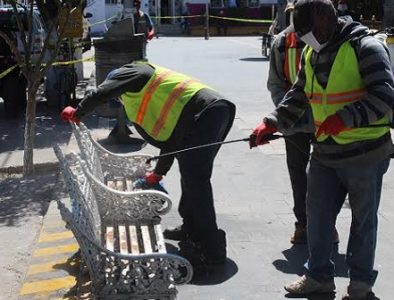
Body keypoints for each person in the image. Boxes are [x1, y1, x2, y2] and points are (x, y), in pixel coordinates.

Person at [250, 0, 394, 299]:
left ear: (326, 18)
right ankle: (318, 278)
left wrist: (344, 119)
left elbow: (384, 97)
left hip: (365, 154)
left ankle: (360, 286)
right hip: (325, 153)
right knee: (317, 218)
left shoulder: (366, 47)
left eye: (307, 32)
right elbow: (299, 94)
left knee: (362, 223)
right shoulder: (310, 51)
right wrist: (272, 122)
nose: (304, 39)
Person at [60, 61, 236, 278]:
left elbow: (103, 91)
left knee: (196, 178)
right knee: (191, 173)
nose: (119, 97)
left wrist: (78, 111)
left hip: (208, 111)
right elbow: (171, 141)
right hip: (208, 114)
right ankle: (190, 227)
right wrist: (158, 173)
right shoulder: (144, 93)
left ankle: (213, 250)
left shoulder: (134, 71)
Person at [267, 0, 314, 244]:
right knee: (298, 175)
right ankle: (303, 225)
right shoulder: (282, 43)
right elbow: (275, 83)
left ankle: (326, 225)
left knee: (328, 176)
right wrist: (286, 111)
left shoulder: (328, 40)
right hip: (293, 122)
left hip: (325, 121)